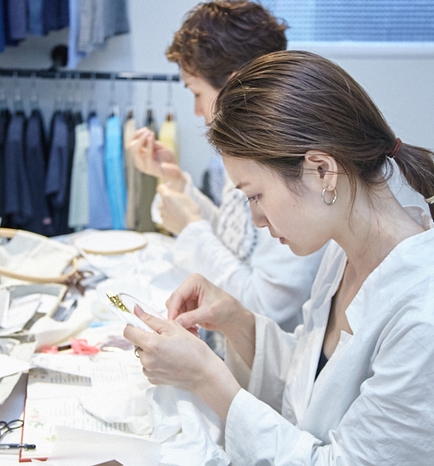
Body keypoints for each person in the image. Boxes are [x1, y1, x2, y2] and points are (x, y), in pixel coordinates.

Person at [124, 51, 434, 464]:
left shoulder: (432, 320)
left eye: (256, 196)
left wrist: (206, 378)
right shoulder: (344, 251)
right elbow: (311, 387)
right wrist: (237, 321)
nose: (256, 219)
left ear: (321, 171)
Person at [128, 1, 323, 332]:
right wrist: (179, 185)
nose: (196, 111)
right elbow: (237, 243)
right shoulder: (243, 154)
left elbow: (265, 306)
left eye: (196, 93)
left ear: (235, 87)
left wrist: (190, 228)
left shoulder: (288, 170)